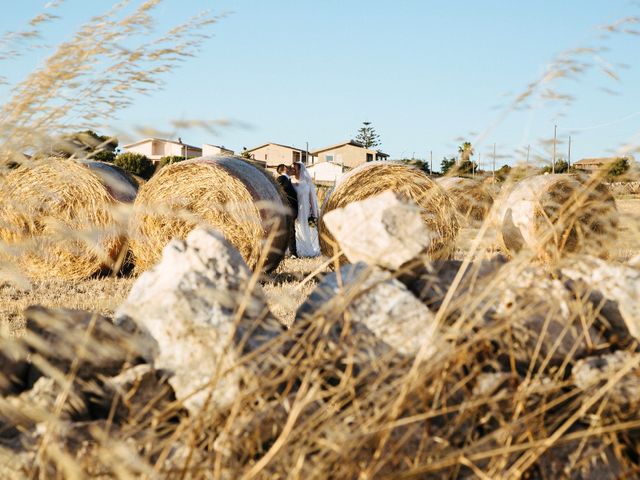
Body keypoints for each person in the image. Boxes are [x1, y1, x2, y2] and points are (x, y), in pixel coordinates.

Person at [291, 161, 320, 257]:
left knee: (305, 227)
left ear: (300, 169)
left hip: (305, 209)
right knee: (296, 227)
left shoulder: (307, 181)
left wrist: (314, 212)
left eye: (294, 168)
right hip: (295, 208)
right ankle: (297, 249)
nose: (293, 170)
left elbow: (312, 197)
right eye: (292, 168)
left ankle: (306, 249)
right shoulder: (290, 181)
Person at [276, 163, 298, 256]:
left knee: (291, 230)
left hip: (291, 208)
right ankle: (292, 253)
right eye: (288, 167)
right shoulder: (281, 179)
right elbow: (277, 191)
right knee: (290, 230)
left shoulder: (287, 179)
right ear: (285, 168)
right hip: (287, 208)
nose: (290, 168)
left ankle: (291, 252)